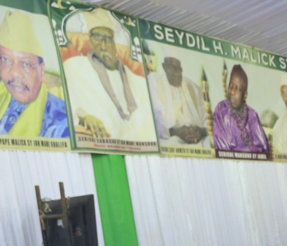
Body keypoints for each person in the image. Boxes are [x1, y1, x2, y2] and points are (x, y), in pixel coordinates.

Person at [60, 8, 153, 142]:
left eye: (107, 39)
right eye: (96, 38)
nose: (102, 46)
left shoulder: (137, 81)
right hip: (102, 137)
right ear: (90, 42)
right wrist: (84, 116)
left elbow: (148, 117)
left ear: (115, 43)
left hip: (134, 140)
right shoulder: (75, 66)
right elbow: (70, 103)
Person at [0, 9, 68, 138]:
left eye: (25, 64)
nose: (14, 73)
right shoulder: (3, 92)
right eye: (6, 60)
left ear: (42, 70)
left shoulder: (60, 121)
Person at [149, 55, 207, 146]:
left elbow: (207, 119)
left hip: (197, 141)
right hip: (170, 142)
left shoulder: (192, 86)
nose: (177, 72)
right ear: (164, 66)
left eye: (179, 68)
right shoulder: (155, 81)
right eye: (173, 67)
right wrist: (175, 132)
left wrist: (201, 132)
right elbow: (156, 119)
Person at [212, 64, 268, 153]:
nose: (232, 91)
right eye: (231, 86)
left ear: (245, 95)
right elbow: (222, 152)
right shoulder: (221, 111)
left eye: (237, 88)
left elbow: (264, 148)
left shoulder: (252, 115)